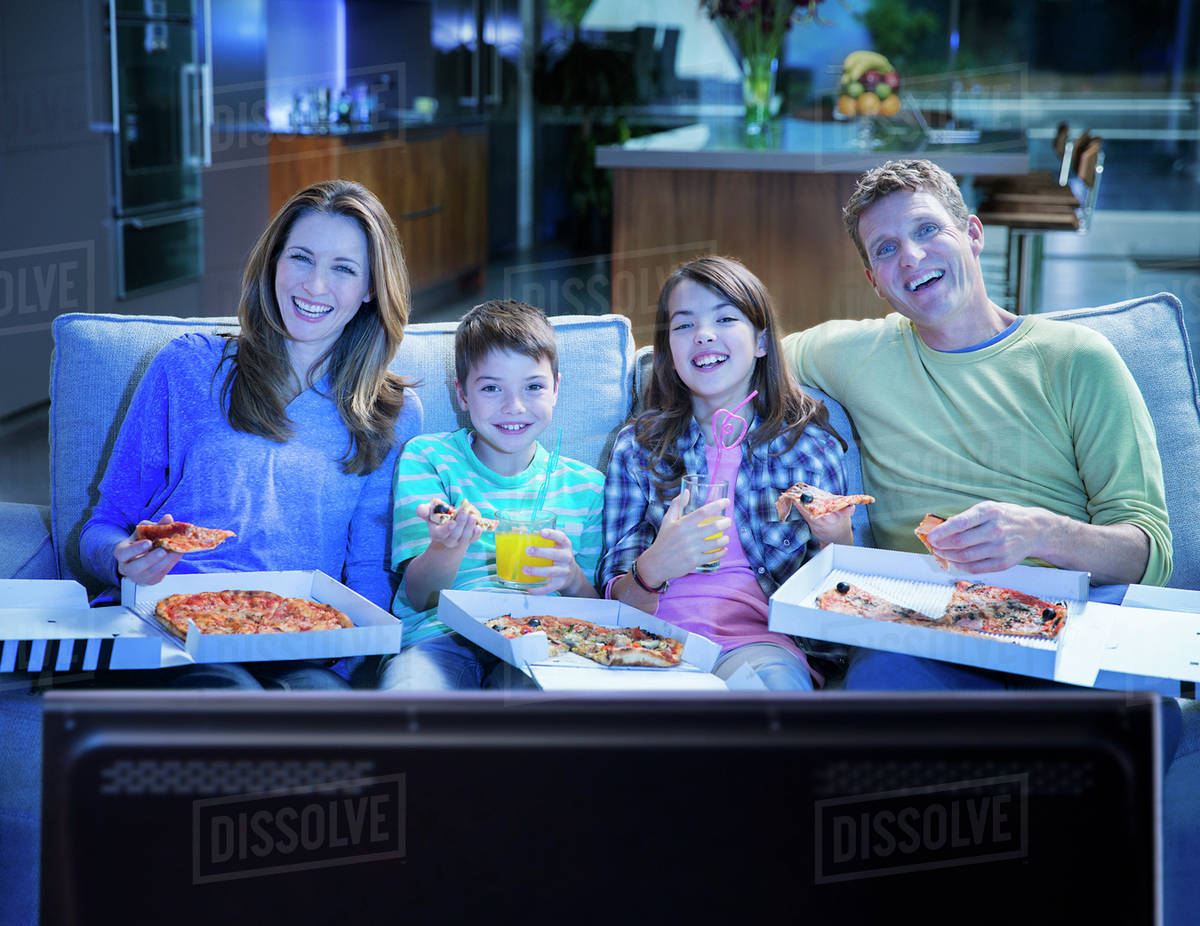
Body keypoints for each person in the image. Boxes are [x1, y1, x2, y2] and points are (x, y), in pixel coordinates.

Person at [781, 158, 1173, 690]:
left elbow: (1148, 553)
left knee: (1134, 722)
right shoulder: (852, 352)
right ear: (875, 281)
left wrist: (1040, 531)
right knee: (878, 686)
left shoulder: (1076, 358)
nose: (912, 257)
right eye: (887, 248)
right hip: (924, 635)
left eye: (927, 230)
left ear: (972, 234)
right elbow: (732, 353)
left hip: (1073, 624)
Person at [79, 179, 422, 689]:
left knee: (324, 721)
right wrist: (120, 560)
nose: (315, 286)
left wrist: (357, 668)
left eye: (344, 269)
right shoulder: (188, 367)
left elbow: (369, 568)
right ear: (274, 262)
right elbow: (102, 526)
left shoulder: (391, 411)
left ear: (372, 288)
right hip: (176, 627)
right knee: (233, 704)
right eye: (301, 258)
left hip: (307, 640)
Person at [599, 256, 853, 690]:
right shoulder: (637, 447)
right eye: (683, 325)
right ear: (669, 352)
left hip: (756, 645)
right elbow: (617, 605)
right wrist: (654, 566)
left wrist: (839, 542)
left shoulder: (808, 449)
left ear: (761, 341)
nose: (704, 334)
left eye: (725, 318)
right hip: (647, 640)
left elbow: (838, 609)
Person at [377, 299, 604, 690]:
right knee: (410, 697)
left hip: (538, 643)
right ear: (462, 395)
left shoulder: (586, 487)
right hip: (438, 637)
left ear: (556, 389)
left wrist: (572, 579)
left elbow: (594, 615)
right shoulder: (429, 458)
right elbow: (418, 596)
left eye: (533, 387)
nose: (513, 407)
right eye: (491, 388)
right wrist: (445, 549)